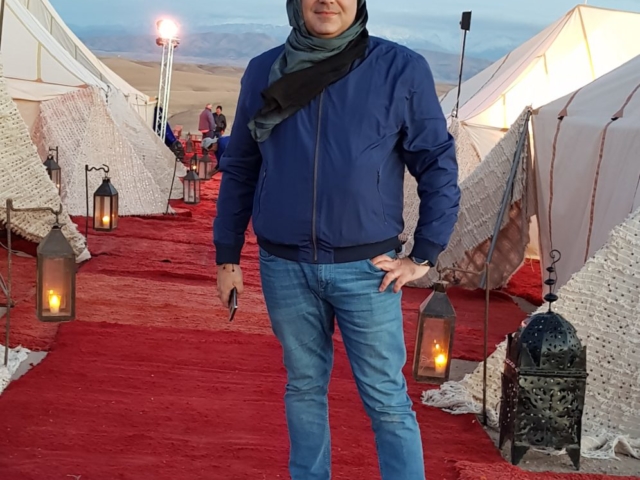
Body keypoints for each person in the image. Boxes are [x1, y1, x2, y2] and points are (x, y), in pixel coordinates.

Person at [214, 1, 460, 479]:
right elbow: (241, 167)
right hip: (285, 267)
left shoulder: (400, 69)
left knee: (386, 398)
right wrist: (228, 257)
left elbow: (436, 163)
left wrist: (424, 254)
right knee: (304, 388)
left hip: (368, 270)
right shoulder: (264, 69)